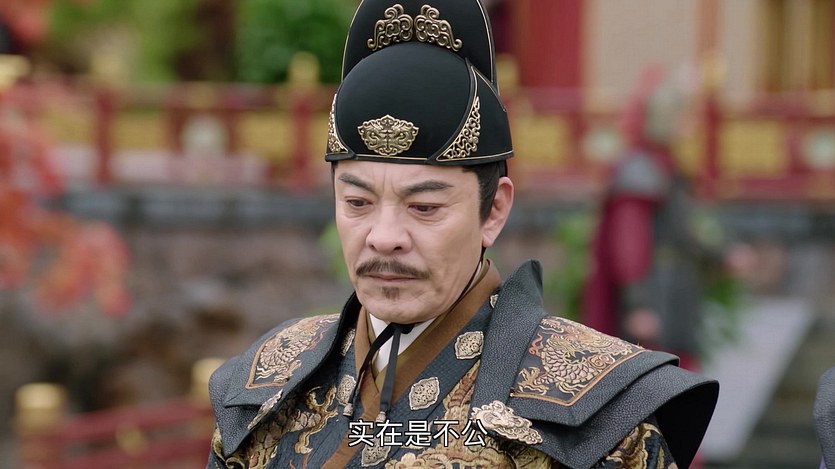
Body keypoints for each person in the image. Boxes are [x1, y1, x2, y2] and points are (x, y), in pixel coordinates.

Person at [207, 2, 719, 468]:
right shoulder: (268, 383)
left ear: (493, 210)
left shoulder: (604, 414)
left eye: (424, 207)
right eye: (358, 203)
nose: (384, 237)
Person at [581, 68, 711, 373]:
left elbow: (682, 228)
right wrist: (639, 304)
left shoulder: (665, 164)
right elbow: (629, 244)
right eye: (684, 116)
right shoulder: (639, 169)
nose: (691, 124)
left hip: (673, 294)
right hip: (656, 297)